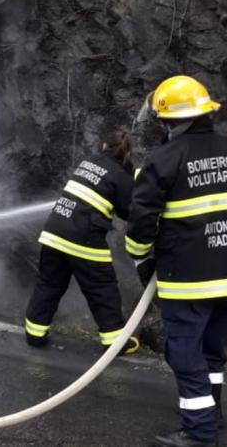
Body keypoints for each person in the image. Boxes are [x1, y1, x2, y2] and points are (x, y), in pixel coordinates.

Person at [126, 75, 227, 447]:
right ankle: (210, 414)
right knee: (211, 351)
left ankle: (199, 433)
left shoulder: (162, 160)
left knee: (185, 353)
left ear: (168, 121)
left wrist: (140, 260)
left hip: (186, 277)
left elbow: (141, 222)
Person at [25, 129, 140, 355]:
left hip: (54, 232)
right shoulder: (121, 176)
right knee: (102, 289)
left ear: (104, 147)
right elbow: (128, 212)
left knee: (49, 283)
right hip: (83, 237)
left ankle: (34, 334)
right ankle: (115, 342)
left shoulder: (90, 161)